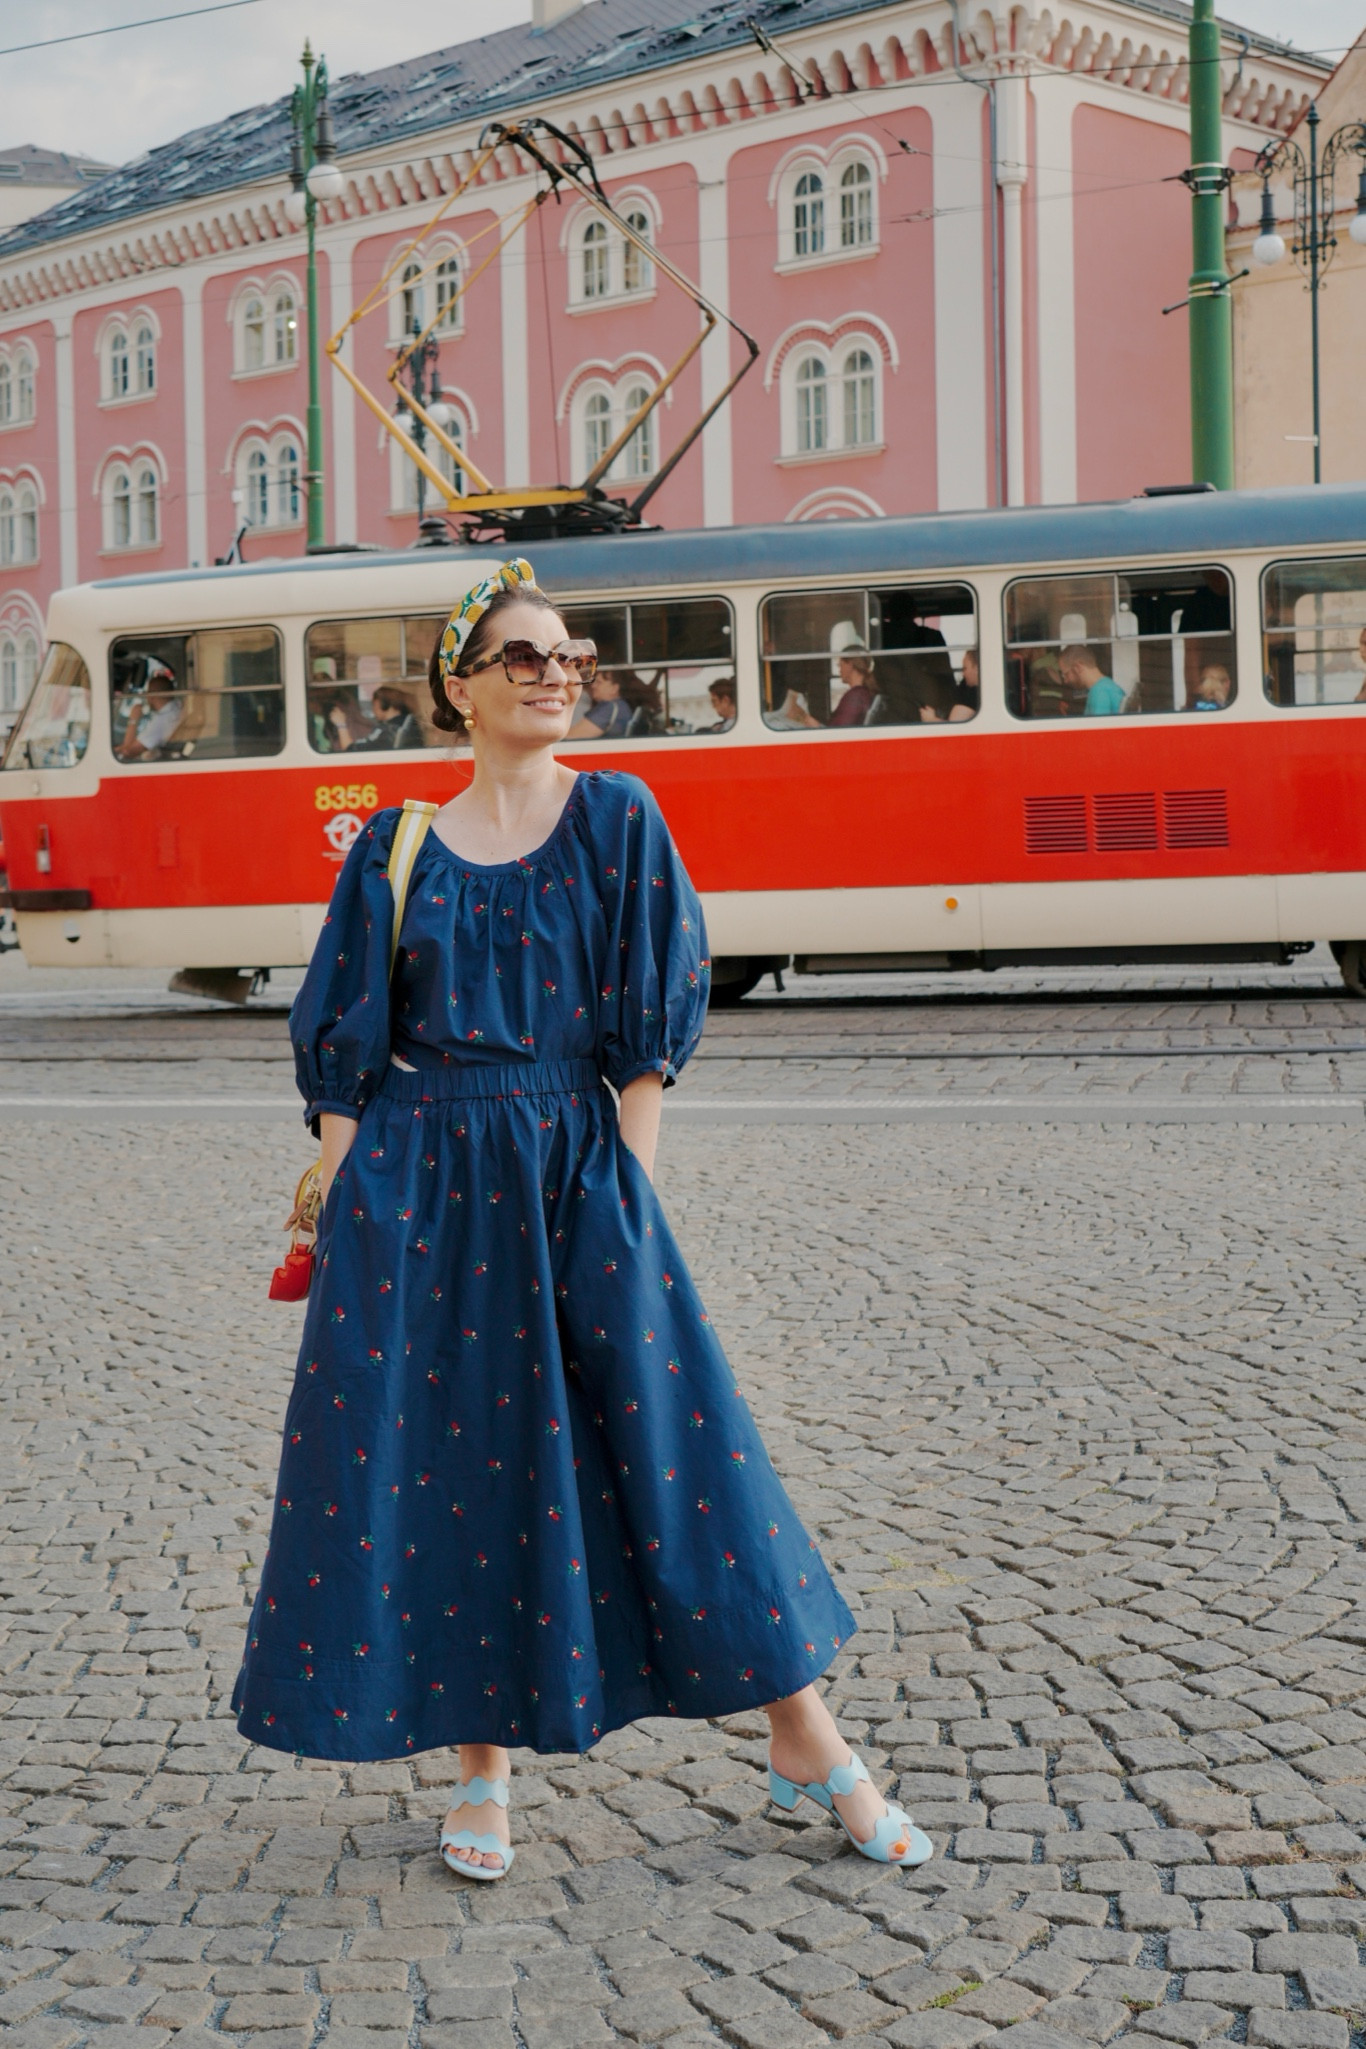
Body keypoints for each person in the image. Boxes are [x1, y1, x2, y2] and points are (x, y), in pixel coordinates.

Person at [233, 558, 931, 1889]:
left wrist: (628, 1182)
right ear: (460, 687)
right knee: (458, 1468)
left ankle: (806, 1734)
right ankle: (481, 1771)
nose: (557, 674)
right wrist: (340, 1202)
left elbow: (647, 1029)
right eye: (523, 657)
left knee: (686, 1459)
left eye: (567, 656)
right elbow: (347, 1055)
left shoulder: (617, 819)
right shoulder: (396, 849)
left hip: (577, 1168)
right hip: (419, 1195)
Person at [115, 659, 185, 760]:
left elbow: (128, 752)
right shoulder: (176, 708)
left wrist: (133, 719)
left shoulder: (161, 721)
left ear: (151, 696)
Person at [351, 685, 425, 751]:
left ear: (381, 704)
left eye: (374, 705)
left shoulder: (391, 729)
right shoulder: (406, 723)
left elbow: (356, 749)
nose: (373, 710)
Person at [1059, 643, 1126, 716]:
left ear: (1078, 667)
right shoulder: (1105, 686)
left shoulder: (1099, 691)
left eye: (1066, 674)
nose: (1065, 681)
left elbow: (1098, 726)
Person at [567, 666, 632, 740]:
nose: (593, 686)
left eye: (599, 682)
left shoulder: (609, 708)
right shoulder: (622, 706)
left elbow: (572, 736)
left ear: (614, 688)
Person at [829, 644, 876, 727]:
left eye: (841, 665)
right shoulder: (864, 693)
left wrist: (803, 716)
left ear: (850, 665)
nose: (839, 670)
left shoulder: (855, 697)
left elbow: (838, 732)